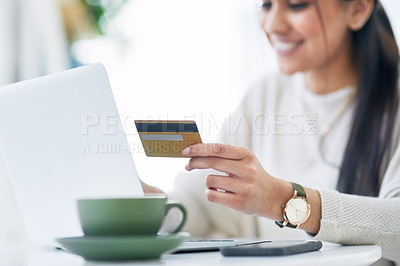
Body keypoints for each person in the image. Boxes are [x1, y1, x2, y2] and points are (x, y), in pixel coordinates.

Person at [142, 0, 400, 264]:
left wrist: (282, 200)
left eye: (297, 6)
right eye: (266, 5)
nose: (273, 24)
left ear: (358, 9)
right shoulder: (264, 95)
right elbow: (198, 207)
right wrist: (135, 198)